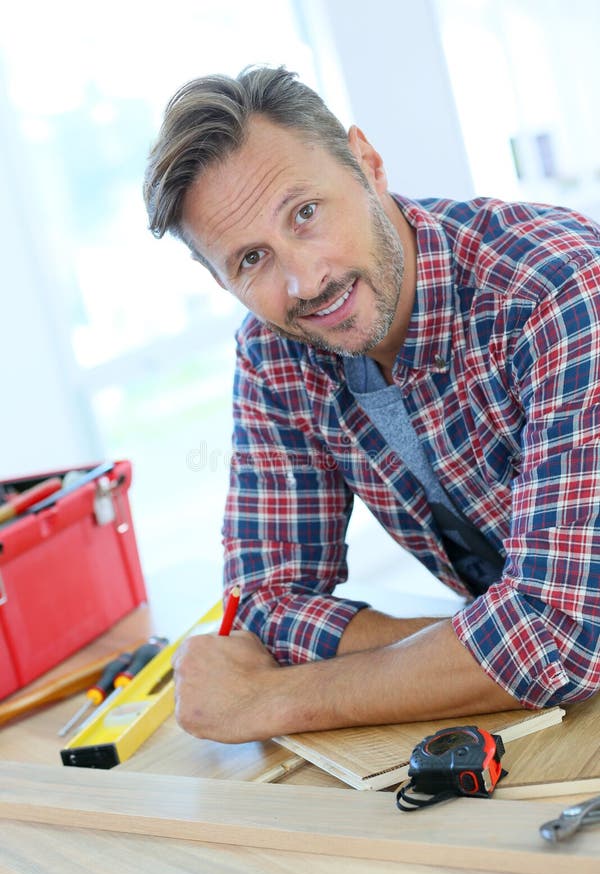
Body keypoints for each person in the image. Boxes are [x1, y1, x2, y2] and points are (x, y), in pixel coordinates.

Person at [144, 66, 600, 744]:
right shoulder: (276, 353)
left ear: (367, 162)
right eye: (250, 259)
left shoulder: (558, 293)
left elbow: (557, 635)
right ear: (218, 278)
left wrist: (269, 702)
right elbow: (266, 605)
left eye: (305, 213)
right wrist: (471, 647)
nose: (305, 279)